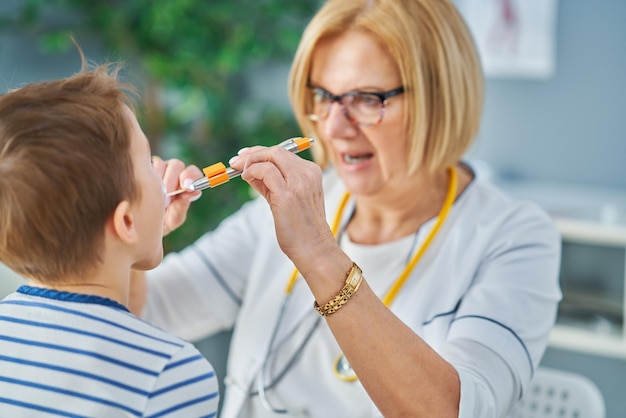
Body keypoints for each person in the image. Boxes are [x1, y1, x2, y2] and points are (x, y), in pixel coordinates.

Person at [139, 0, 562, 416]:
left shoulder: (514, 238)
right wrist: (137, 242)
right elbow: (147, 312)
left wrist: (319, 254)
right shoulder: (278, 210)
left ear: (439, 98)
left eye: (367, 99)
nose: (335, 128)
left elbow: (458, 411)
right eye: (324, 96)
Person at [0, 62, 219, 417]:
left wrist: (143, 231)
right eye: (148, 162)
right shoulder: (170, 373)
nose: (162, 170)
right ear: (126, 221)